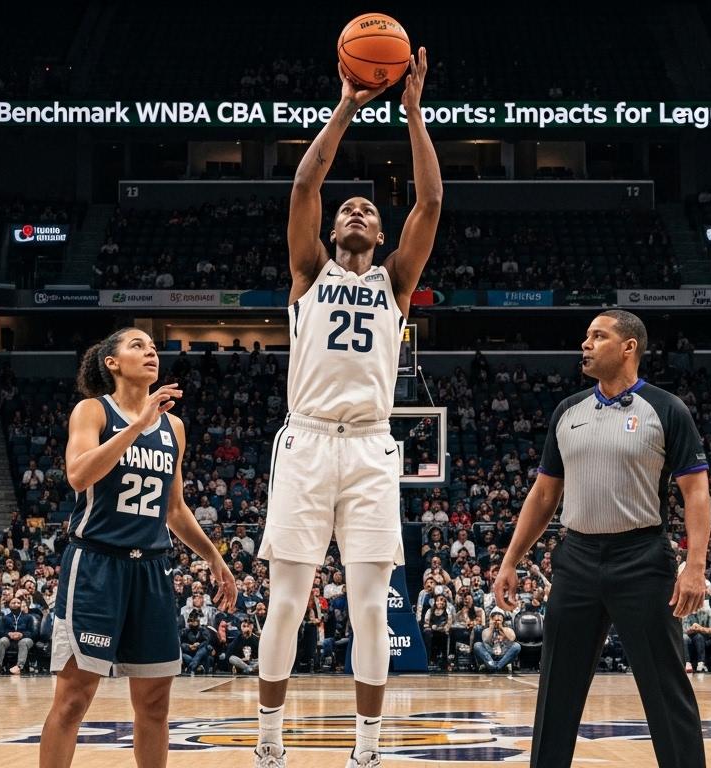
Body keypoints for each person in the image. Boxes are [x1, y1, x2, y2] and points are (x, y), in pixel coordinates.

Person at [255, 48, 441, 768]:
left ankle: (366, 750)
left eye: (370, 208)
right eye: (348, 209)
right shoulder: (309, 272)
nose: (358, 208)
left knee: (370, 607)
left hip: (369, 446)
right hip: (306, 443)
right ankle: (269, 739)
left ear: (382, 235)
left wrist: (413, 112)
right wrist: (347, 103)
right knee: (287, 604)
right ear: (333, 233)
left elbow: (430, 202)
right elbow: (305, 182)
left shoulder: (396, 282)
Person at [493, 311, 710, 768]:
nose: (585, 345)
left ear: (629, 347)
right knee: (557, 690)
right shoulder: (567, 411)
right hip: (576, 558)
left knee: (666, 689)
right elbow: (544, 494)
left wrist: (695, 566)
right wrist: (511, 559)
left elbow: (696, 492)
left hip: (643, 558)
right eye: (586, 337)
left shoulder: (666, 409)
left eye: (598, 336)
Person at [39, 328, 235, 768]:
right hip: (95, 565)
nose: (150, 352)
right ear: (111, 362)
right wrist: (137, 426)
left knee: (154, 707)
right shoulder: (92, 411)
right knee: (73, 701)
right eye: (136, 346)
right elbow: (78, 475)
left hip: (152, 569)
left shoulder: (174, 427)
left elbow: (176, 508)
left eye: (152, 347)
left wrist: (214, 556)